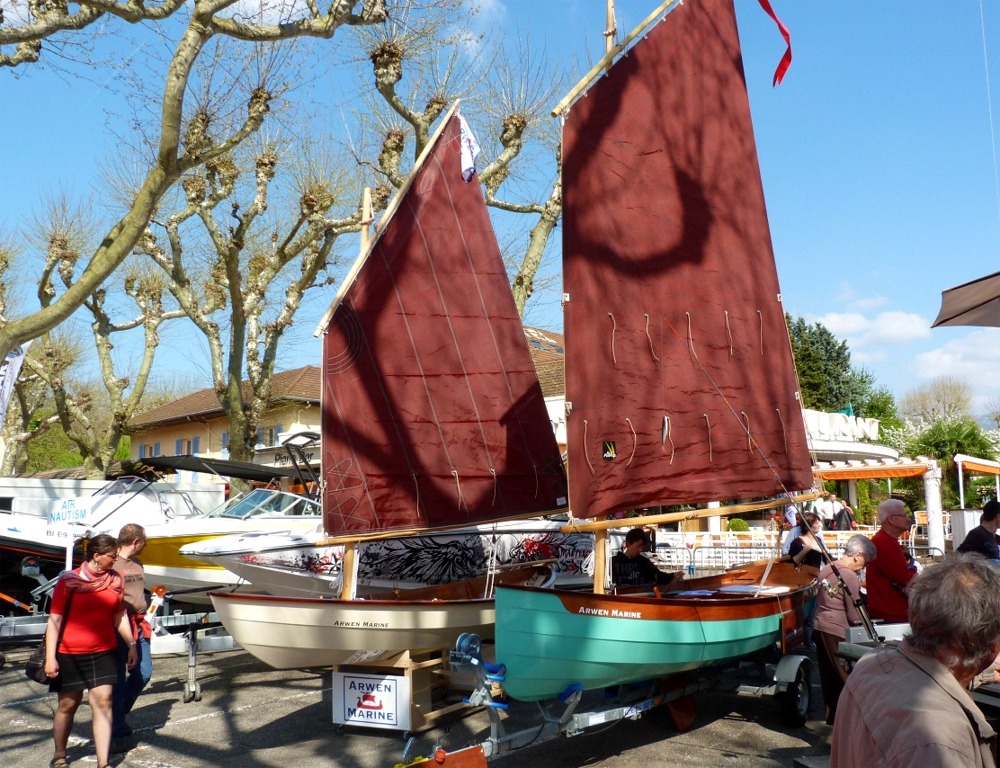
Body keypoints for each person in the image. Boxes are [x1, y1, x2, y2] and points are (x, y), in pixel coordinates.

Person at [831, 553, 1000, 767]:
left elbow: (931, 671)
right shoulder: (938, 743)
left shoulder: (871, 665)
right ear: (992, 645)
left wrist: (980, 672)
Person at [45, 534, 138, 768]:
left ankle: (103, 762)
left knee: (103, 702)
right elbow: (54, 620)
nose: (116, 560)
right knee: (68, 705)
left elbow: (119, 616)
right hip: (70, 652)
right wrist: (50, 658)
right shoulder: (69, 581)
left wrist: (132, 644)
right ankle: (59, 753)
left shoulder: (115, 580)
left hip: (104, 650)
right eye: (112, 556)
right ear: (96, 556)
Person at [813, 534, 877, 726]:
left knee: (829, 680)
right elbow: (853, 614)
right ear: (857, 555)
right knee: (847, 681)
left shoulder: (826, 569)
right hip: (838, 631)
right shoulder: (847, 575)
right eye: (865, 563)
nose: (864, 568)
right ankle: (849, 728)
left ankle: (833, 726)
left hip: (820, 625)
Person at [111, 523, 152, 752]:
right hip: (119, 626)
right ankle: (116, 726)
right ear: (136, 542)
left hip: (139, 623)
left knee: (143, 673)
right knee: (117, 678)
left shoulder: (137, 564)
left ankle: (117, 714)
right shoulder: (113, 562)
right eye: (143, 541)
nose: (144, 545)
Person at [864, 498, 917, 624]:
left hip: (891, 611)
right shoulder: (884, 542)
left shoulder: (886, 540)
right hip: (890, 612)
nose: (908, 519)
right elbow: (903, 578)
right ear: (892, 519)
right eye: (904, 515)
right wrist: (913, 569)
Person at [788, 513, 825, 647]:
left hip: (816, 579)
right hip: (803, 581)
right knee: (807, 613)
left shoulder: (819, 540)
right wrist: (806, 549)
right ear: (809, 526)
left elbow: (826, 559)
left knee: (815, 611)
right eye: (816, 523)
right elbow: (795, 560)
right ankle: (807, 643)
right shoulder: (798, 541)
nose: (819, 525)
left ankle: (810, 641)